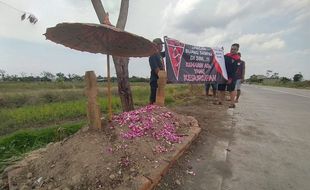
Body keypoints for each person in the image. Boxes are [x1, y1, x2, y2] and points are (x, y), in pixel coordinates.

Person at [217, 43, 240, 108]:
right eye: (231, 49)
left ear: (237, 50)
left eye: (234, 49)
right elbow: (220, 59)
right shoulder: (227, 55)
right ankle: (220, 101)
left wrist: (230, 78)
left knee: (231, 90)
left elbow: (235, 70)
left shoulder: (237, 59)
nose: (232, 50)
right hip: (223, 75)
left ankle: (232, 104)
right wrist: (221, 51)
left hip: (231, 77)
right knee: (221, 89)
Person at [149, 38, 165, 104]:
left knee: (160, 100)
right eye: (161, 45)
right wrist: (164, 77)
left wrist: (168, 42)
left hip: (160, 80)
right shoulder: (152, 56)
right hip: (155, 81)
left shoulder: (160, 55)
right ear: (156, 45)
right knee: (154, 100)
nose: (162, 46)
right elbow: (156, 70)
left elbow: (168, 52)